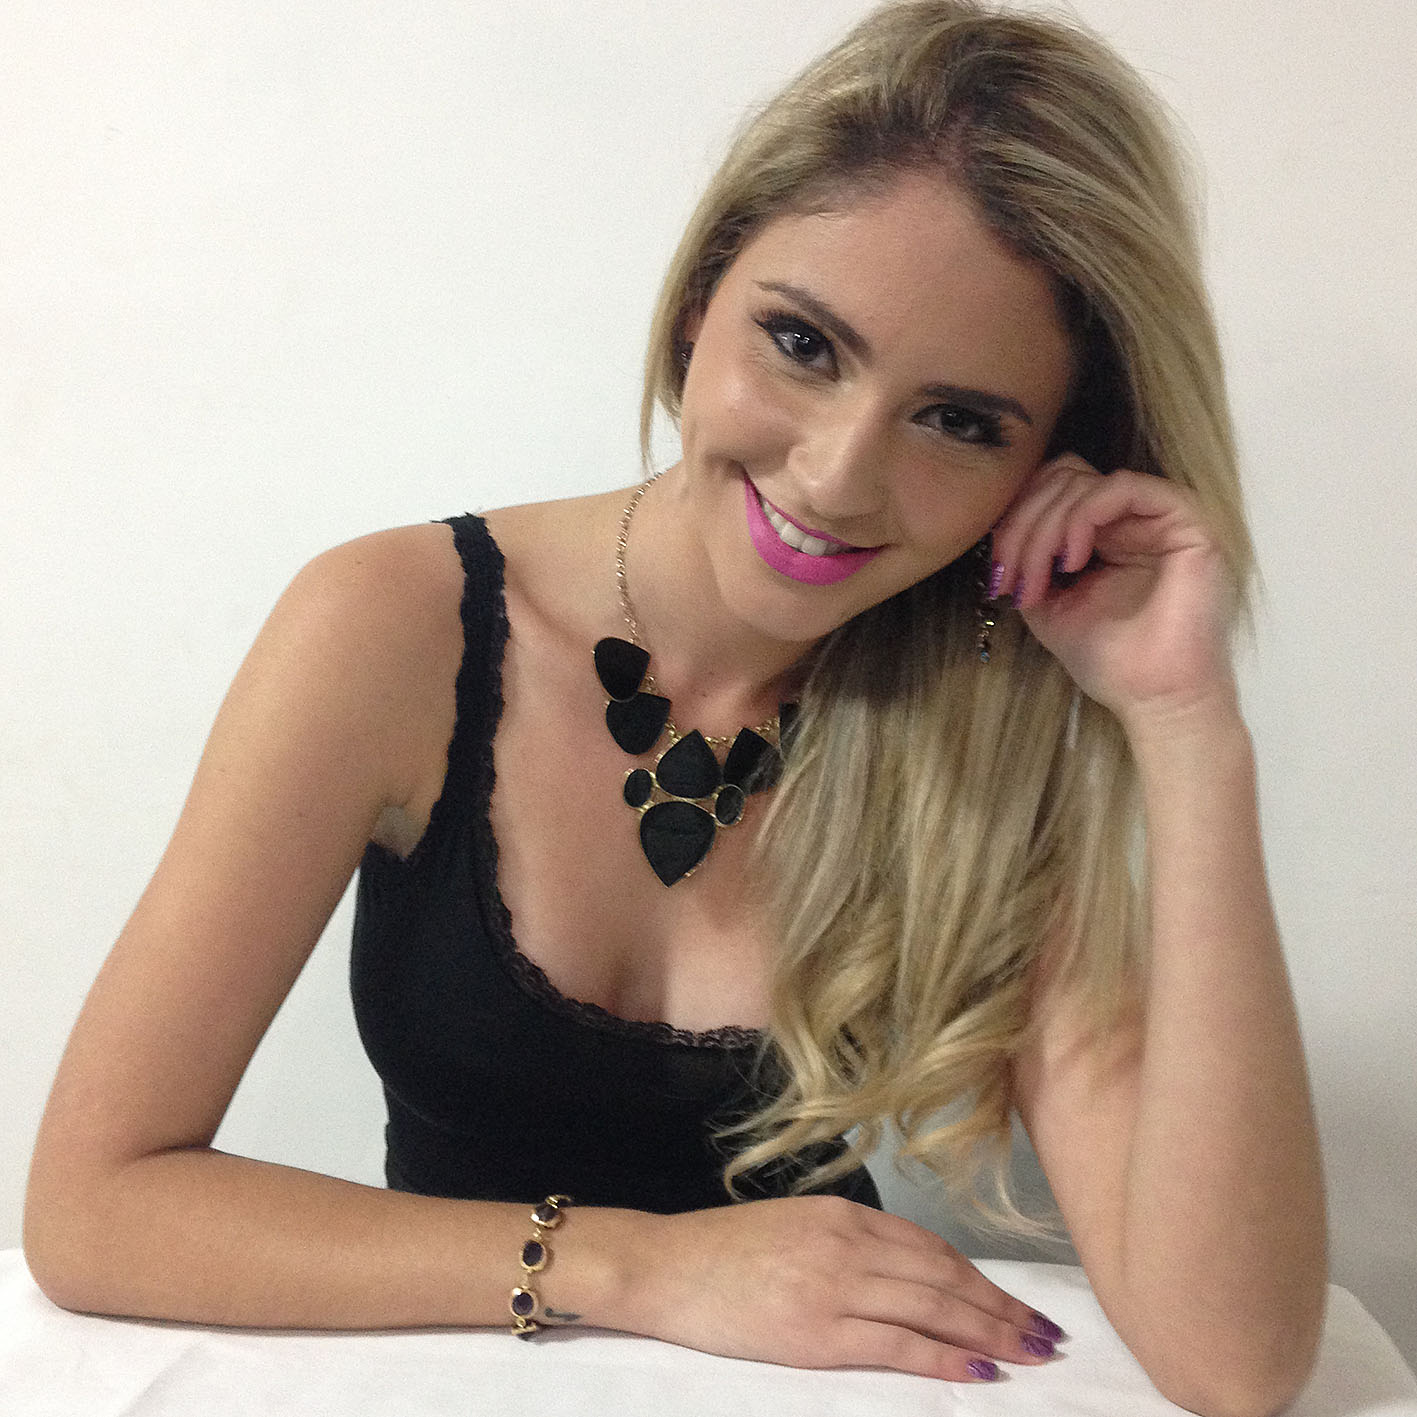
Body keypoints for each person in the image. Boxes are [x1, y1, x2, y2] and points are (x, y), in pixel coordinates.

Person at [24, 2, 1326, 1412]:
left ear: (1046, 467)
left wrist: (1187, 726)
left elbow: (1236, 1360)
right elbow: (96, 1206)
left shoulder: (993, 721)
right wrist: (641, 1267)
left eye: (957, 421)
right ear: (702, 296)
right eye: (803, 343)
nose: (835, 476)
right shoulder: (394, 626)